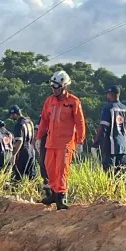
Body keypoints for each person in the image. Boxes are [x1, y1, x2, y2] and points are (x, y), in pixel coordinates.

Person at [35, 71, 86, 210]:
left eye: (56, 86)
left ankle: (61, 197)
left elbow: (80, 123)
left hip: (66, 143)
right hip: (51, 142)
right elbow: (44, 121)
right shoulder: (49, 101)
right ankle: (53, 193)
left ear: (64, 86)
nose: (53, 89)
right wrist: (39, 137)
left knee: (61, 170)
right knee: (49, 168)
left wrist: (80, 141)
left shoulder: (73, 102)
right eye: (52, 86)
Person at [91, 85, 126, 175]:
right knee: (120, 174)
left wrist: (96, 143)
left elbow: (103, 128)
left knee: (109, 174)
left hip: (111, 146)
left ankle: (110, 189)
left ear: (110, 94)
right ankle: (120, 189)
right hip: (123, 146)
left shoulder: (108, 107)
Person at [8, 105, 36, 181]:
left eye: (11, 115)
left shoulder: (19, 124)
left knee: (17, 176)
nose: (10, 117)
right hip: (31, 150)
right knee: (31, 176)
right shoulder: (29, 122)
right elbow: (34, 136)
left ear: (14, 114)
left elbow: (19, 141)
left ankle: (15, 192)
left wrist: (13, 155)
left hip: (23, 151)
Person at [35, 115, 51, 198]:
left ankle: (56, 194)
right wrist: (37, 140)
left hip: (52, 143)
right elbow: (37, 130)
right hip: (46, 142)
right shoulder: (43, 116)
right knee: (44, 166)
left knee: (45, 165)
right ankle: (48, 193)